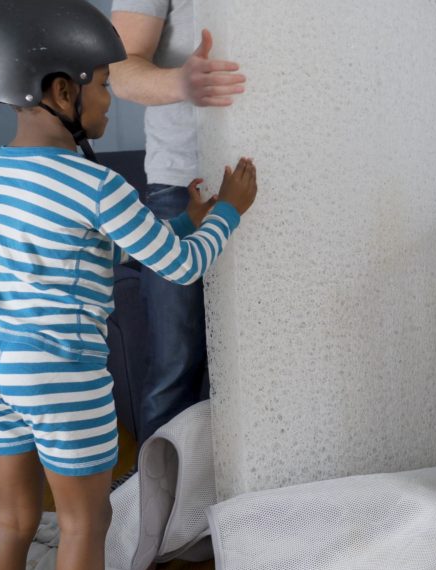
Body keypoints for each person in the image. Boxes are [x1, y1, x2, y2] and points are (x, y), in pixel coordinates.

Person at [0, 1, 257, 570]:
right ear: (61, 93)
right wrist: (229, 212)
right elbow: (181, 267)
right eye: (100, 83)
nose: (109, 95)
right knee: (84, 523)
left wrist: (184, 219)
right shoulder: (97, 184)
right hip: (59, 370)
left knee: (11, 518)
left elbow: (107, 248)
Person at [108, 1, 247, 444]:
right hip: (187, 181)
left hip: (278, 178)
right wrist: (180, 82)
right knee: (176, 363)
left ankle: (246, 510)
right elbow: (120, 69)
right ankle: (158, 510)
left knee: (269, 362)